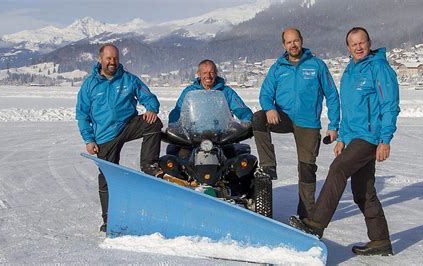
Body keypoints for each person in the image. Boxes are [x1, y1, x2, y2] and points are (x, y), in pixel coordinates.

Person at [292, 27, 400, 256]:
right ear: (348, 48)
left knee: (338, 169)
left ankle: (315, 224)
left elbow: (389, 104)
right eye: (354, 44)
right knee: (363, 191)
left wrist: (385, 139)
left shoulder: (379, 68)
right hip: (354, 138)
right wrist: (342, 138)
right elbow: (350, 112)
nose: (359, 47)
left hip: (370, 137)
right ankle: (381, 240)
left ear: (369, 43)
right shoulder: (350, 72)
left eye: (362, 42)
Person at [253, 28, 340, 221]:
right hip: (282, 117)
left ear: (301, 41)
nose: (293, 45)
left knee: (307, 167)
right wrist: (269, 108)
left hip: (307, 122)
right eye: (289, 42)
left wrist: (333, 125)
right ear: (284, 45)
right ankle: (268, 165)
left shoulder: (317, 65)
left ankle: (307, 213)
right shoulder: (278, 67)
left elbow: (332, 95)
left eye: (296, 41)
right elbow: (265, 93)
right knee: (259, 118)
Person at [76, 43, 163, 232]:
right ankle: (108, 219)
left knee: (154, 123)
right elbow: (82, 114)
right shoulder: (90, 84)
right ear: (100, 59)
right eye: (108, 58)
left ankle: (149, 164)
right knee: (107, 176)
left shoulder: (129, 79)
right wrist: (89, 140)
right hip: (104, 135)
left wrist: (151, 109)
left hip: (128, 125)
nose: (112, 62)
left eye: (115, 58)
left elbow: (150, 97)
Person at [169, 59, 253, 125]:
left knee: (239, 147)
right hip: (194, 133)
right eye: (204, 73)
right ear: (199, 74)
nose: (208, 76)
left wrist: (246, 119)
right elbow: (178, 110)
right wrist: (173, 124)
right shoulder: (189, 92)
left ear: (216, 73)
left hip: (222, 134)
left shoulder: (226, 91)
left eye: (211, 72)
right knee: (174, 146)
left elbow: (240, 108)